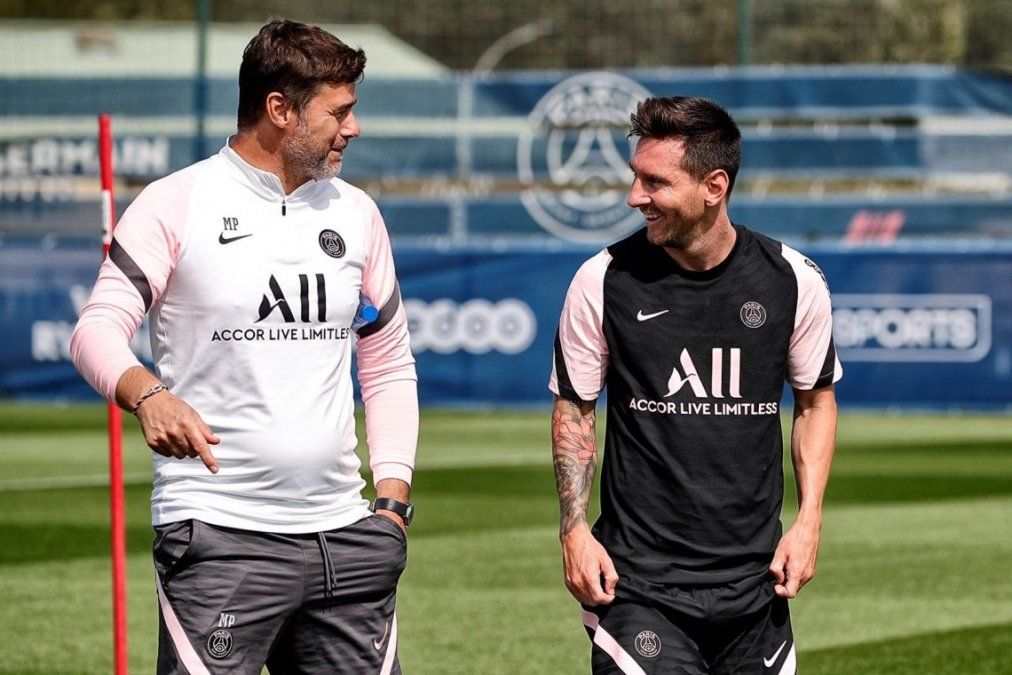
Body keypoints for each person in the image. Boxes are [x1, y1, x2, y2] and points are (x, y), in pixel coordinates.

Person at [71, 19, 417, 674]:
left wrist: (392, 503)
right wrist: (148, 395)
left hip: (347, 539)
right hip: (220, 537)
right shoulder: (176, 203)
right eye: (339, 112)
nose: (354, 128)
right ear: (279, 109)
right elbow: (95, 328)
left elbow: (388, 361)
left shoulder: (357, 213)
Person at [549, 96, 841, 674]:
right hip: (636, 586)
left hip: (758, 589)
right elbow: (575, 410)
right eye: (635, 178)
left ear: (714, 185)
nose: (635, 197)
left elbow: (815, 403)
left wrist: (809, 523)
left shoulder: (795, 281)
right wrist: (575, 530)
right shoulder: (602, 280)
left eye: (654, 183)